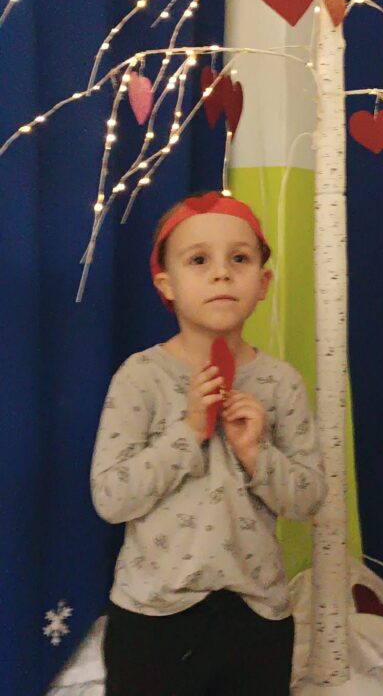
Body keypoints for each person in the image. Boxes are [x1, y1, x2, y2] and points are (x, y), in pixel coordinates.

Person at [91, 191, 326, 696]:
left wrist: (256, 455)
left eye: (239, 259)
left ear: (262, 283)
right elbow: (110, 498)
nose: (221, 274)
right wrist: (189, 431)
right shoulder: (141, 377)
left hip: (256, 616)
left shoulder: (281, 382)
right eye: (199, 260)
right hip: (152, 618)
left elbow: (308, 498)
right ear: (166, 284)